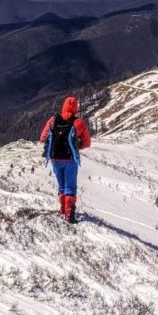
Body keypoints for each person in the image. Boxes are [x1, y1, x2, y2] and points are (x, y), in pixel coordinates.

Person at [40, 96, 91, 224]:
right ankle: (69, 214)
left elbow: (43, 137)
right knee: (70, 187)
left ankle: (62, 209)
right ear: (75, 108)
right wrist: (77, 145)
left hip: (54, 158)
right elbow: (87, 143)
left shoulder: (52, 120)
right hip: (70, 159)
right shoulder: (78, 122)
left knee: (61, 185)